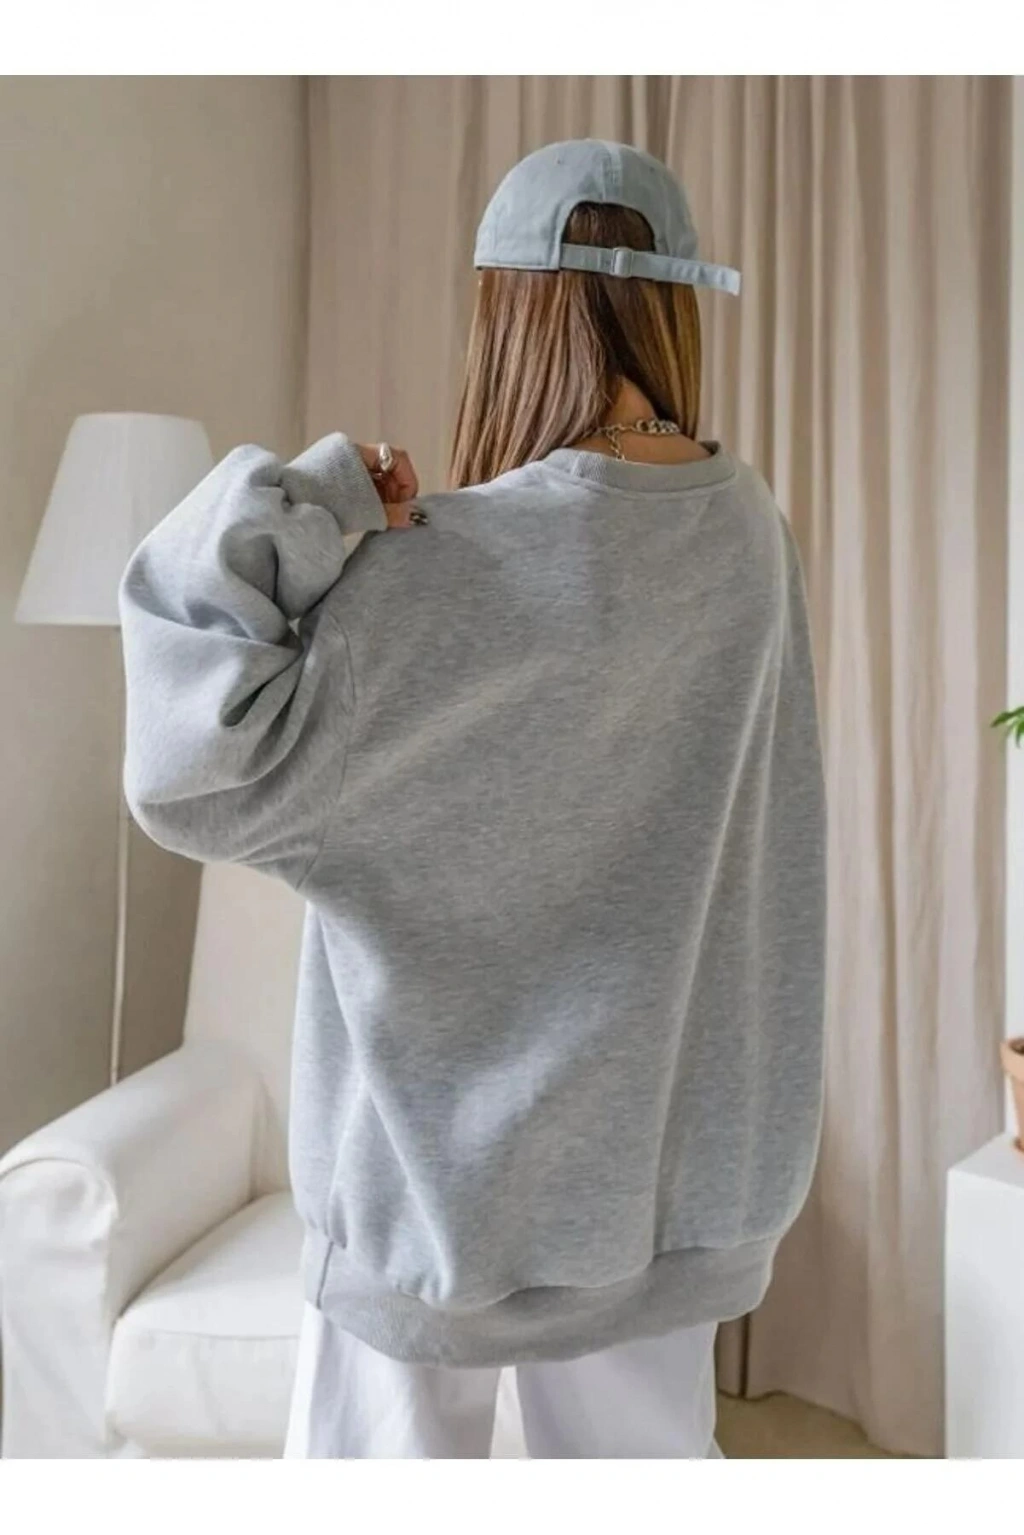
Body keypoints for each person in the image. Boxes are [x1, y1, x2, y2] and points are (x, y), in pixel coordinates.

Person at [118, 139, 827, 1459]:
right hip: (662, 1200)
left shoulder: (433, 566)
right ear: (675, 309)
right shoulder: (750, 539)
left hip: (423, 1206)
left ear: (506, 315)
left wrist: (308, 501)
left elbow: (185, 772)